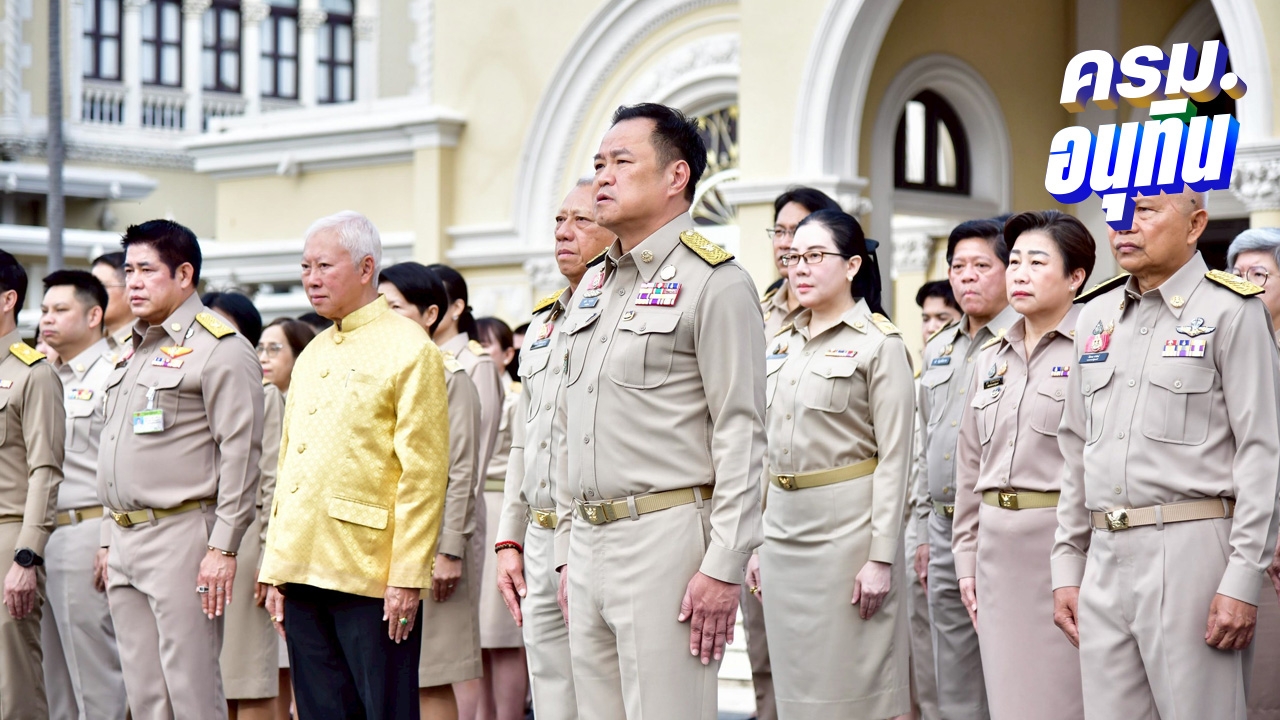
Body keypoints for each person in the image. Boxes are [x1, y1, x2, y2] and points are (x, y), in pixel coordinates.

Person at [554, 102, 766, 720]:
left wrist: (724, 566)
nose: (602, 177)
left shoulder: (715, 281)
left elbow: (742, 430)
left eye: (622, 162)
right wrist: (569, 548)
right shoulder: (595, 283)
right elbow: (572, 424)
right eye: (599, 164)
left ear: (676, 177)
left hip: (666, 539)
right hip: (588, 541)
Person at [1052, 189, 1280, 719]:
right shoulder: (1094, 314)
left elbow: (1262, 453)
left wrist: (1242, 577)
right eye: (1115, 216)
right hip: (1105, 554)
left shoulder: (1233, 310)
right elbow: (1074, 452)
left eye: (1144, 212)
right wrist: (1067, 563)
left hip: (1193, 550)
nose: (1124, 227)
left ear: (1196, 224)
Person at [261, 211, 450, 720]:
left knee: (384, 708)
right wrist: (275, 566)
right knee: (321, 709)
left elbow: (424, 473)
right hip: (302, 564)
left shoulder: (411, 348)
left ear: (367, 267)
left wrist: (408, 576)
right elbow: (289, 463)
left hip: (371, 570)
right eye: (305, 267)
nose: (311, 279)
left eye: (324, 265)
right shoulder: (314, 350)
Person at [95, 220, 264, 720]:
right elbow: (115, 447)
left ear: (185, 274)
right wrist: (108, 534)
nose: (134, 283)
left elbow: (241, 453)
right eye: (129, 271)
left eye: (148, 270)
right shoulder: (135, 347)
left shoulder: (221, 347)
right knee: (146, 697)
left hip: (182, 536)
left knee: (191, 692)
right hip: (125, 536)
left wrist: (223, 547)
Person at [750, 209, 913, 719]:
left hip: (848, 540)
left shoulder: (879, 345)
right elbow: (760, 449)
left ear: (851, 266)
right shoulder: (778, 345)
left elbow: (895, 460)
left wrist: (881, 556)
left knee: (851, 693)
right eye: (794, 256)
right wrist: (753, 540)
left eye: (816, 256)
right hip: (781, 535)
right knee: (792, 689)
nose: (800, 267)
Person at [951, 211, 1095, 719]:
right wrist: (965, 557)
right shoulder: (991, 357)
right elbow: (970, 470)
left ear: (1076, 276)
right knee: (1010, 699)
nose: (1020, 273)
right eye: (1013, 262)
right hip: (995, 553)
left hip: (1064, 548)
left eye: (1037, 262)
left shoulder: (1097, 349)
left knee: (1068, 698)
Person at [494, 179, 615, 720]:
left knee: (599, 694)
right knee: (550, 695)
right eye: (559, 221)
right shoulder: (543, 321)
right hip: (538, 536)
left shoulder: (619, 313)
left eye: (581, 221)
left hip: (590, 532)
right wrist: (508, 540)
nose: (564, 233)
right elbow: (527, 438)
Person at [912, 217, 1018, 720]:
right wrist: (920, 532)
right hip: (941, 524)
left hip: (1002, 525)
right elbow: (922, 445)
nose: (967, 277)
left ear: (1009, 268)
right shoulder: (937, 350)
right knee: (951, 675)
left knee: (1013, 670)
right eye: (958, 266)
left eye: (982, 265)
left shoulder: (1025, 340)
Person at [378, 261, 484, 720]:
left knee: (430, 673)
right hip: (377, 545)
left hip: (432, 545)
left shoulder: (450, 375)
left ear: (430, 314)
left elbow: (460, 471)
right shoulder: (371, 371)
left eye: (395, 307)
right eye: (377, 306)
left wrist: (450, 549)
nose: (383, 316)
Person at [37, 270, 128, 720]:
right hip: (44, 535)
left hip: (87, 530)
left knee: (95, 678)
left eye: (60, 310)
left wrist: (109, 538)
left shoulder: (116, 372)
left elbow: (124, 465)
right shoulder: (45, 375)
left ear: (94, 315)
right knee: (54, 679)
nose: (47, 320)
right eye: (44, 310)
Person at [424, 264, 508, 720]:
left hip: (459, 518)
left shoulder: (474, 363)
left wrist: (454, 532)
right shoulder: (418, 360)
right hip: (422, 520)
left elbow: (474, 456)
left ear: (453, 308)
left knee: (457, 645)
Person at [200, 292, 282, 720]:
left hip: (247, 542)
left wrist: (269, 558)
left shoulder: (265, 394)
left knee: (248, 672)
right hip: (197, 535)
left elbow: (270, 483)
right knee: (205, 672)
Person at [0, 250, 65, 718]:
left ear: (8, 300)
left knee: (13, 678)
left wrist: (27, 555)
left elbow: (45, 470)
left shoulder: (32, 373)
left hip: (8, 537)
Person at [1226, 227, 1280, 720]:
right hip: (1239, 533)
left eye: (1259, 275)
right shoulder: (1226, 344)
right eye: (1236, 274)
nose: (1245, 285)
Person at [904, 279, 959, 720]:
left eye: (943, 318)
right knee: (928, 649)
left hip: (976, 524)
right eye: (926, 319)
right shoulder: (931, 366)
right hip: (927, 521)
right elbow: (921, 454)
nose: (931, 328)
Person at [255, 317, 315, 720]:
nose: (264, 357)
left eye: (275, 349)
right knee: (272, 668)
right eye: (260, 347)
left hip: (296, 546)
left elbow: (274, 483)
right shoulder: (268, 397)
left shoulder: (288, 401)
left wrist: (269, 553)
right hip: (276, 544)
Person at [472, 315, 529, 720]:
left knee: (503, 634)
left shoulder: (515, 396)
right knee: (476, 638)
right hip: (476, 514)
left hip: (500, 510)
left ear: (509, 354)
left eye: (488, 346)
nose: (481, 353)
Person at [761, 187, 842, 339]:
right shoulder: (761, 310)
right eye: (779, 231)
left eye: (796, 231)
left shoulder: (840, 313)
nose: (783, 243)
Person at [91, 251, 134, 351]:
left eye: (101, 287)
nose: (92, 295)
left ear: (130, 289)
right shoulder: (87, 343)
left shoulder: (146, 343)